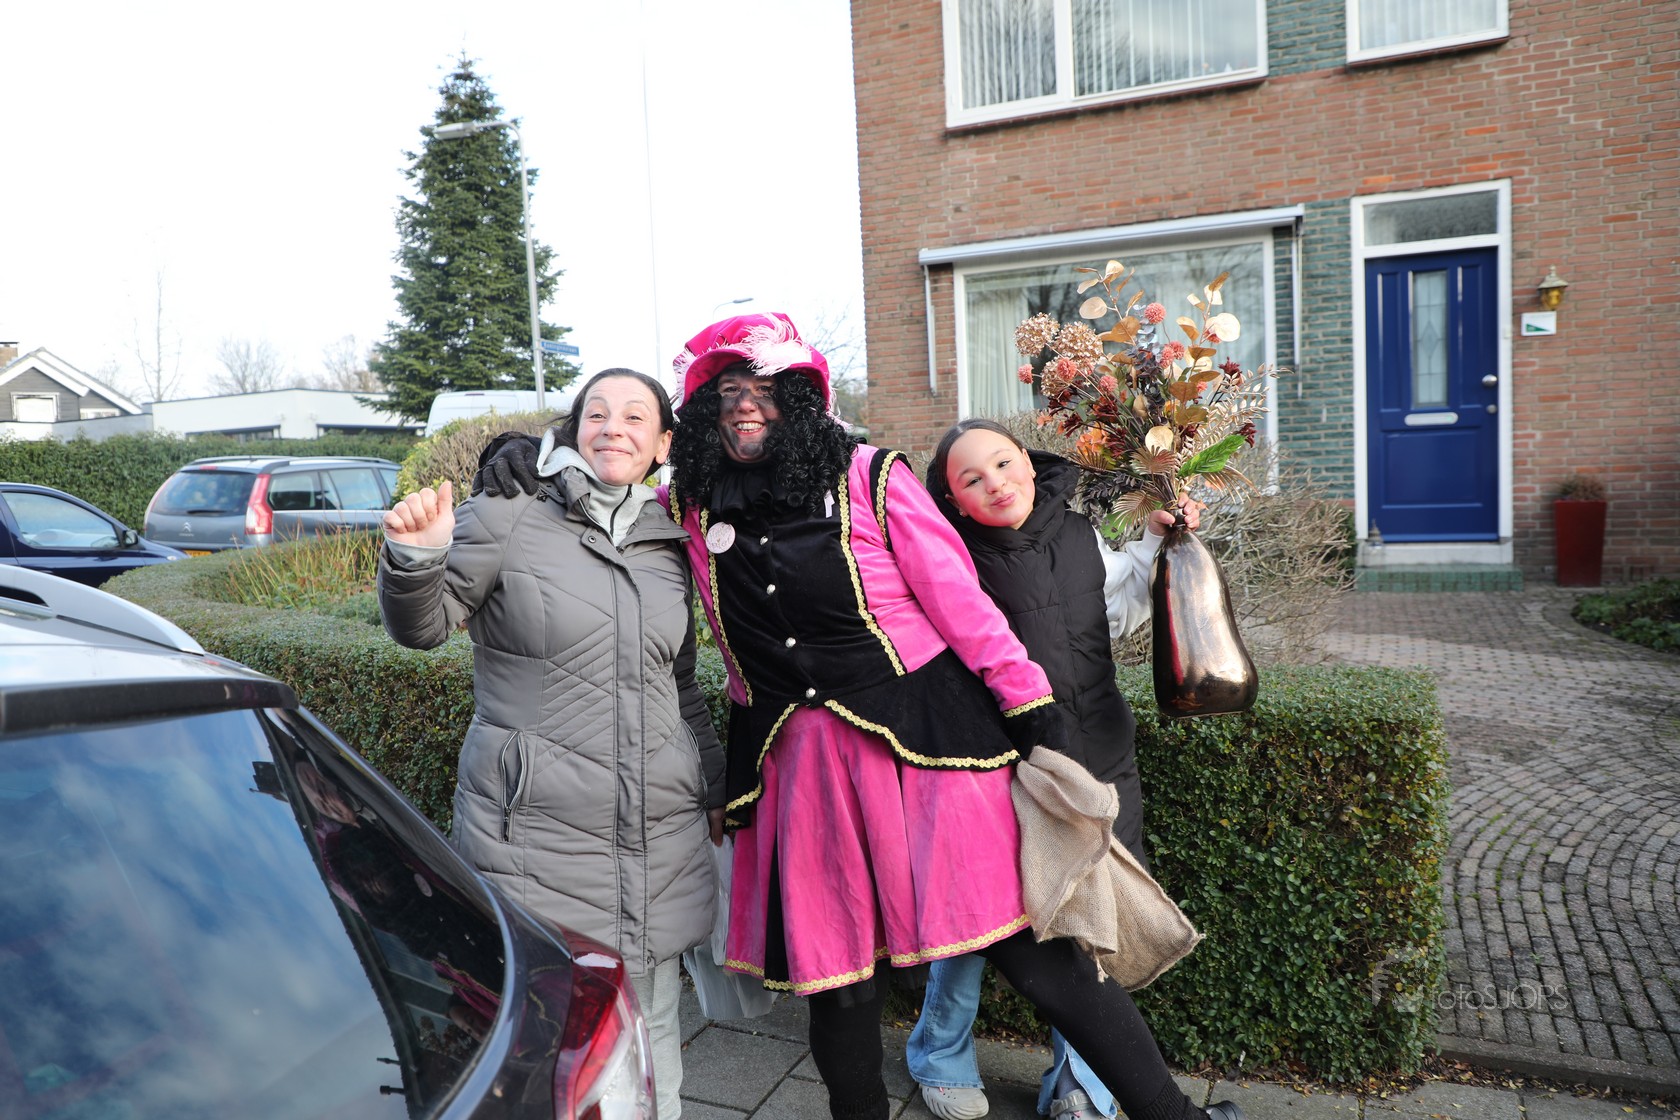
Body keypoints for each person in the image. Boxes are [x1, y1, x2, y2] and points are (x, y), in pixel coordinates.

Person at [475, 314, 1242, 1120]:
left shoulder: (871, 475)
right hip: (800, 772)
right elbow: (611, 473)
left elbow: (962, 604)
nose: (745, 405)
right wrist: (530, 450)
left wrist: (1030, 706)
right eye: (728, 392)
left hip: (931, 751)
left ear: (801, 399)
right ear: (703, 413)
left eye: (765, 390)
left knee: (1038, 949)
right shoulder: (690, 503)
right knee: (839, 983)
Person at [378, 367, 724, 1120]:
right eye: (596, 413)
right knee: (549, 1050)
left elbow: (680, 682)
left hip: (660, 839)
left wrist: (711, 784)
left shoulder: (670, 543)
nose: (613, 427)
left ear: (662, 445)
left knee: (655, 1038)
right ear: (573, 430)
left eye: (635, 417)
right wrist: (416, 558)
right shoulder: (509, 513)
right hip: (536, 840)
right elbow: (422, 627)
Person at [908, 418, 1199, 1120]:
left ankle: (1081, 1085)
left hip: (1101, 752)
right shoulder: (948, 559)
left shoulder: (1077, 533)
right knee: (979, 923)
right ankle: (939, 1055)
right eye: (971, 479)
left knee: (1096, 918)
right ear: (950, 500)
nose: (995, 483)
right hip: (1005, 765)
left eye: (1003, 464)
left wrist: (1161, 540)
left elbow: (1116, 611)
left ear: (1029, 464)